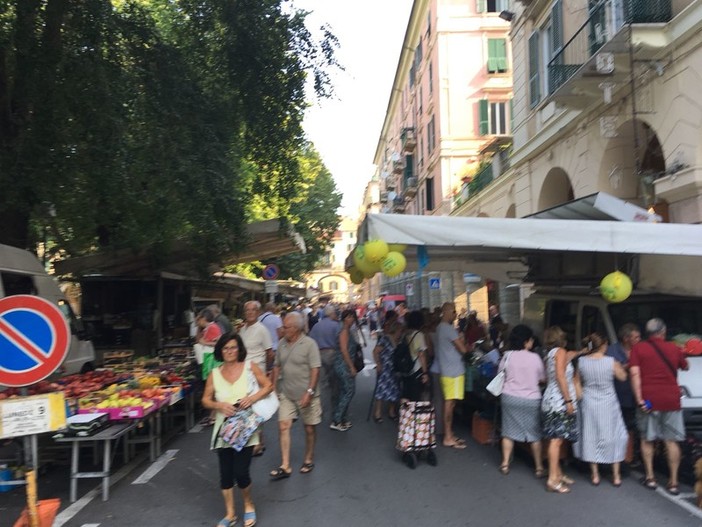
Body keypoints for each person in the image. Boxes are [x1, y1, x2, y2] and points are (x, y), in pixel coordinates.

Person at [201, 332, 273, 527]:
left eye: (233, 347)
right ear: (220, 351)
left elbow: (268, 386)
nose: (230, 351)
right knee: (225, 474)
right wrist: (219, 405)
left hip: (245, 430)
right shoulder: (214, 374)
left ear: (240, 349)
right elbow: (205, 399)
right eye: (225, 348)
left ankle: (249, 504)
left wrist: (252, 398)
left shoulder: (250, 367)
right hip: (223, 431)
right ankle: (230, 513)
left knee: (241, 472)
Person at [630, 317, 689, 495]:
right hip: (671, 400)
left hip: (649, 400)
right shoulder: (673, 348)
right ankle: (673, 482)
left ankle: (651, 478)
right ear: (663, 332)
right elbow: (685, 366)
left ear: (647, 333)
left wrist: (639, 398)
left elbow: (634, 374)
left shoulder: (638, 348)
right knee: (671, 440)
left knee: (647, 439)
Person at [269, 311, 322, 480]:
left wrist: (310, 392)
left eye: (286, 327)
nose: (282, 329)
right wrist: (274, 387)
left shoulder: (309, 344)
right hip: (287, 393)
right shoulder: (282, 344)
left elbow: (315, 369)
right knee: (283, 425)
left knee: (309, 428)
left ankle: (308, 458)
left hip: (307, 394)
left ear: (296, 328)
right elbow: (276, 366)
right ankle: (285, 465)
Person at [574, 332, 629, 486]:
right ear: (604, 345)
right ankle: (616, 476)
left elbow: (577, 381)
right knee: (614, 436)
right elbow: (622, 377)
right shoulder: (611, 362)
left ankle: (595, 475)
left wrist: (581, 396)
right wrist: (623, 367)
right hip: (609, 403)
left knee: (591, 435)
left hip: (589, 402)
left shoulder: (582, 362)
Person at [498, 324, 546, 479]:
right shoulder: (535, 358)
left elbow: (500, 374)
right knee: (534, 434)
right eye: (531, 340)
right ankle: (539, 467)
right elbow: (542, 378)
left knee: (508, 432)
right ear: (526, 341)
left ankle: (505, 463)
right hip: (532, 400)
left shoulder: (507, 356)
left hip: (510, 398)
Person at [541, 326, 580, 493]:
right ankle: (552, 479)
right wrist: (568, 400)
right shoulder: (561, 352)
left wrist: (583, 350)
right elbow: (560, 376)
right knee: (557, 441)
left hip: (550, 399)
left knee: (556, 439)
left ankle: (557, 473)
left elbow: (549, 375)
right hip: (559, 401)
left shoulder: (550, 354)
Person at [238, 301, 274, 457]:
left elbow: (269, 353)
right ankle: (256, 440)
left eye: (253, 310)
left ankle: (258, 443)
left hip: (257, 372)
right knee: (247, 406)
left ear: (258, 312)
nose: (250, 312)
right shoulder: (242, 330)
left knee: (256, 407)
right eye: (247, 310)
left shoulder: (262, 330)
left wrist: (266, 371)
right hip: (244, 373)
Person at [606, 323, 641, 466]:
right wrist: (627, 366)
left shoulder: (640, 349)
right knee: (615, 428)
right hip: (616, 395)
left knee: (631, 428)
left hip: (635, 396)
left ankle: (628, 457)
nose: (639, 339)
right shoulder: (612, 350)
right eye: (636, 337)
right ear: (626, 338)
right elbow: (608, 369)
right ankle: (614, 457)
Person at [435, 302, 468, 449]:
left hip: (447, 370)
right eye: (454, 312)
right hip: (453, 372)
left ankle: (450, 434)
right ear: (447, 312)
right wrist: (462, 337)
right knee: (449, 404)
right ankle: (448, 437)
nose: (455, 315)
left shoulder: (439, 328)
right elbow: (463, 350)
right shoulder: (448, 329)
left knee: (450, 403)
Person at [308, 304, 341, 415]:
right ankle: (334, 407)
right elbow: (339, 341)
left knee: (321, 382)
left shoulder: (316, 326)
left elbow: (311, 342)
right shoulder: (336, 325)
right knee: (334, 382)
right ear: (332, 314)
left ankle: (319, 408)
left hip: (318, 354)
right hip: (332, 353)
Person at [330, 309, 360, 431]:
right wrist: (351, 367)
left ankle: (342, 418)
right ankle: (337, 420)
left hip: (342, 364)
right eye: (349, 317)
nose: (351, 319)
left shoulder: (346, 330)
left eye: (353, 317)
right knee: (349, 391)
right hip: (343, 365)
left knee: (344, 391)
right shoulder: (344, 331)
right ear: (344, 318)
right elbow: (344, 350)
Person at [372, 318, 402, 422]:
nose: (400, 333)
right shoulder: (385, 339)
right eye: (399, 330)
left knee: (395, 390)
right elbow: (375, 351)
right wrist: (378, 363)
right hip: (385, 367)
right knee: (381, 390)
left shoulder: (399, 341)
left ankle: (391, 411)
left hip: (395, 369)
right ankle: (377, 413)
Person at [401, 310, 430, 402]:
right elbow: (421, 354)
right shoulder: (419, 335)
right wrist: (425, 373)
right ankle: (414, 416)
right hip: (416, 370)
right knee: (415, 397)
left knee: (405, 395)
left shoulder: (404, 334)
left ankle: (405, 415)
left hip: (404, 369)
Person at [258, 302, 283, 370]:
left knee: (262, 369)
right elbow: (280, 334)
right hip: (273, 349)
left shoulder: (259, 319)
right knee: (272, 370)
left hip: (261, 349)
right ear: (273, 309)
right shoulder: (277, 319)